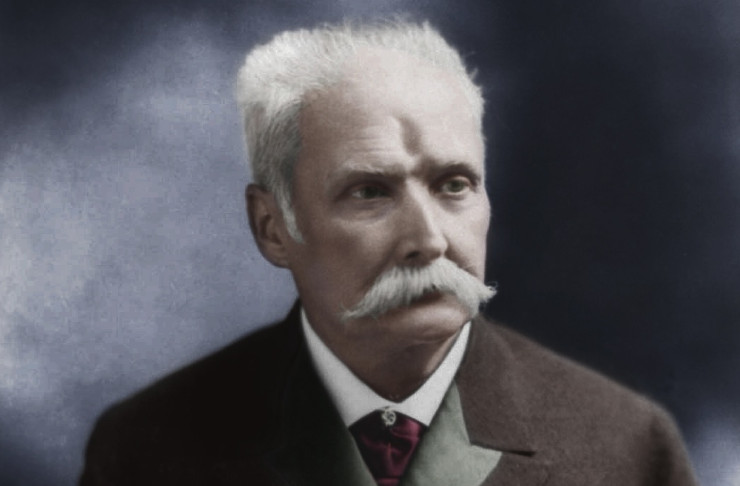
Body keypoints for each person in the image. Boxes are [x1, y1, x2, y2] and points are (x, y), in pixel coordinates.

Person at [79, 20, 698, 486]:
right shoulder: (145, 450)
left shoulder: (626, 447)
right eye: (371, 192)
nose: (429, 240)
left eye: (453, 185)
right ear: (272, 228)